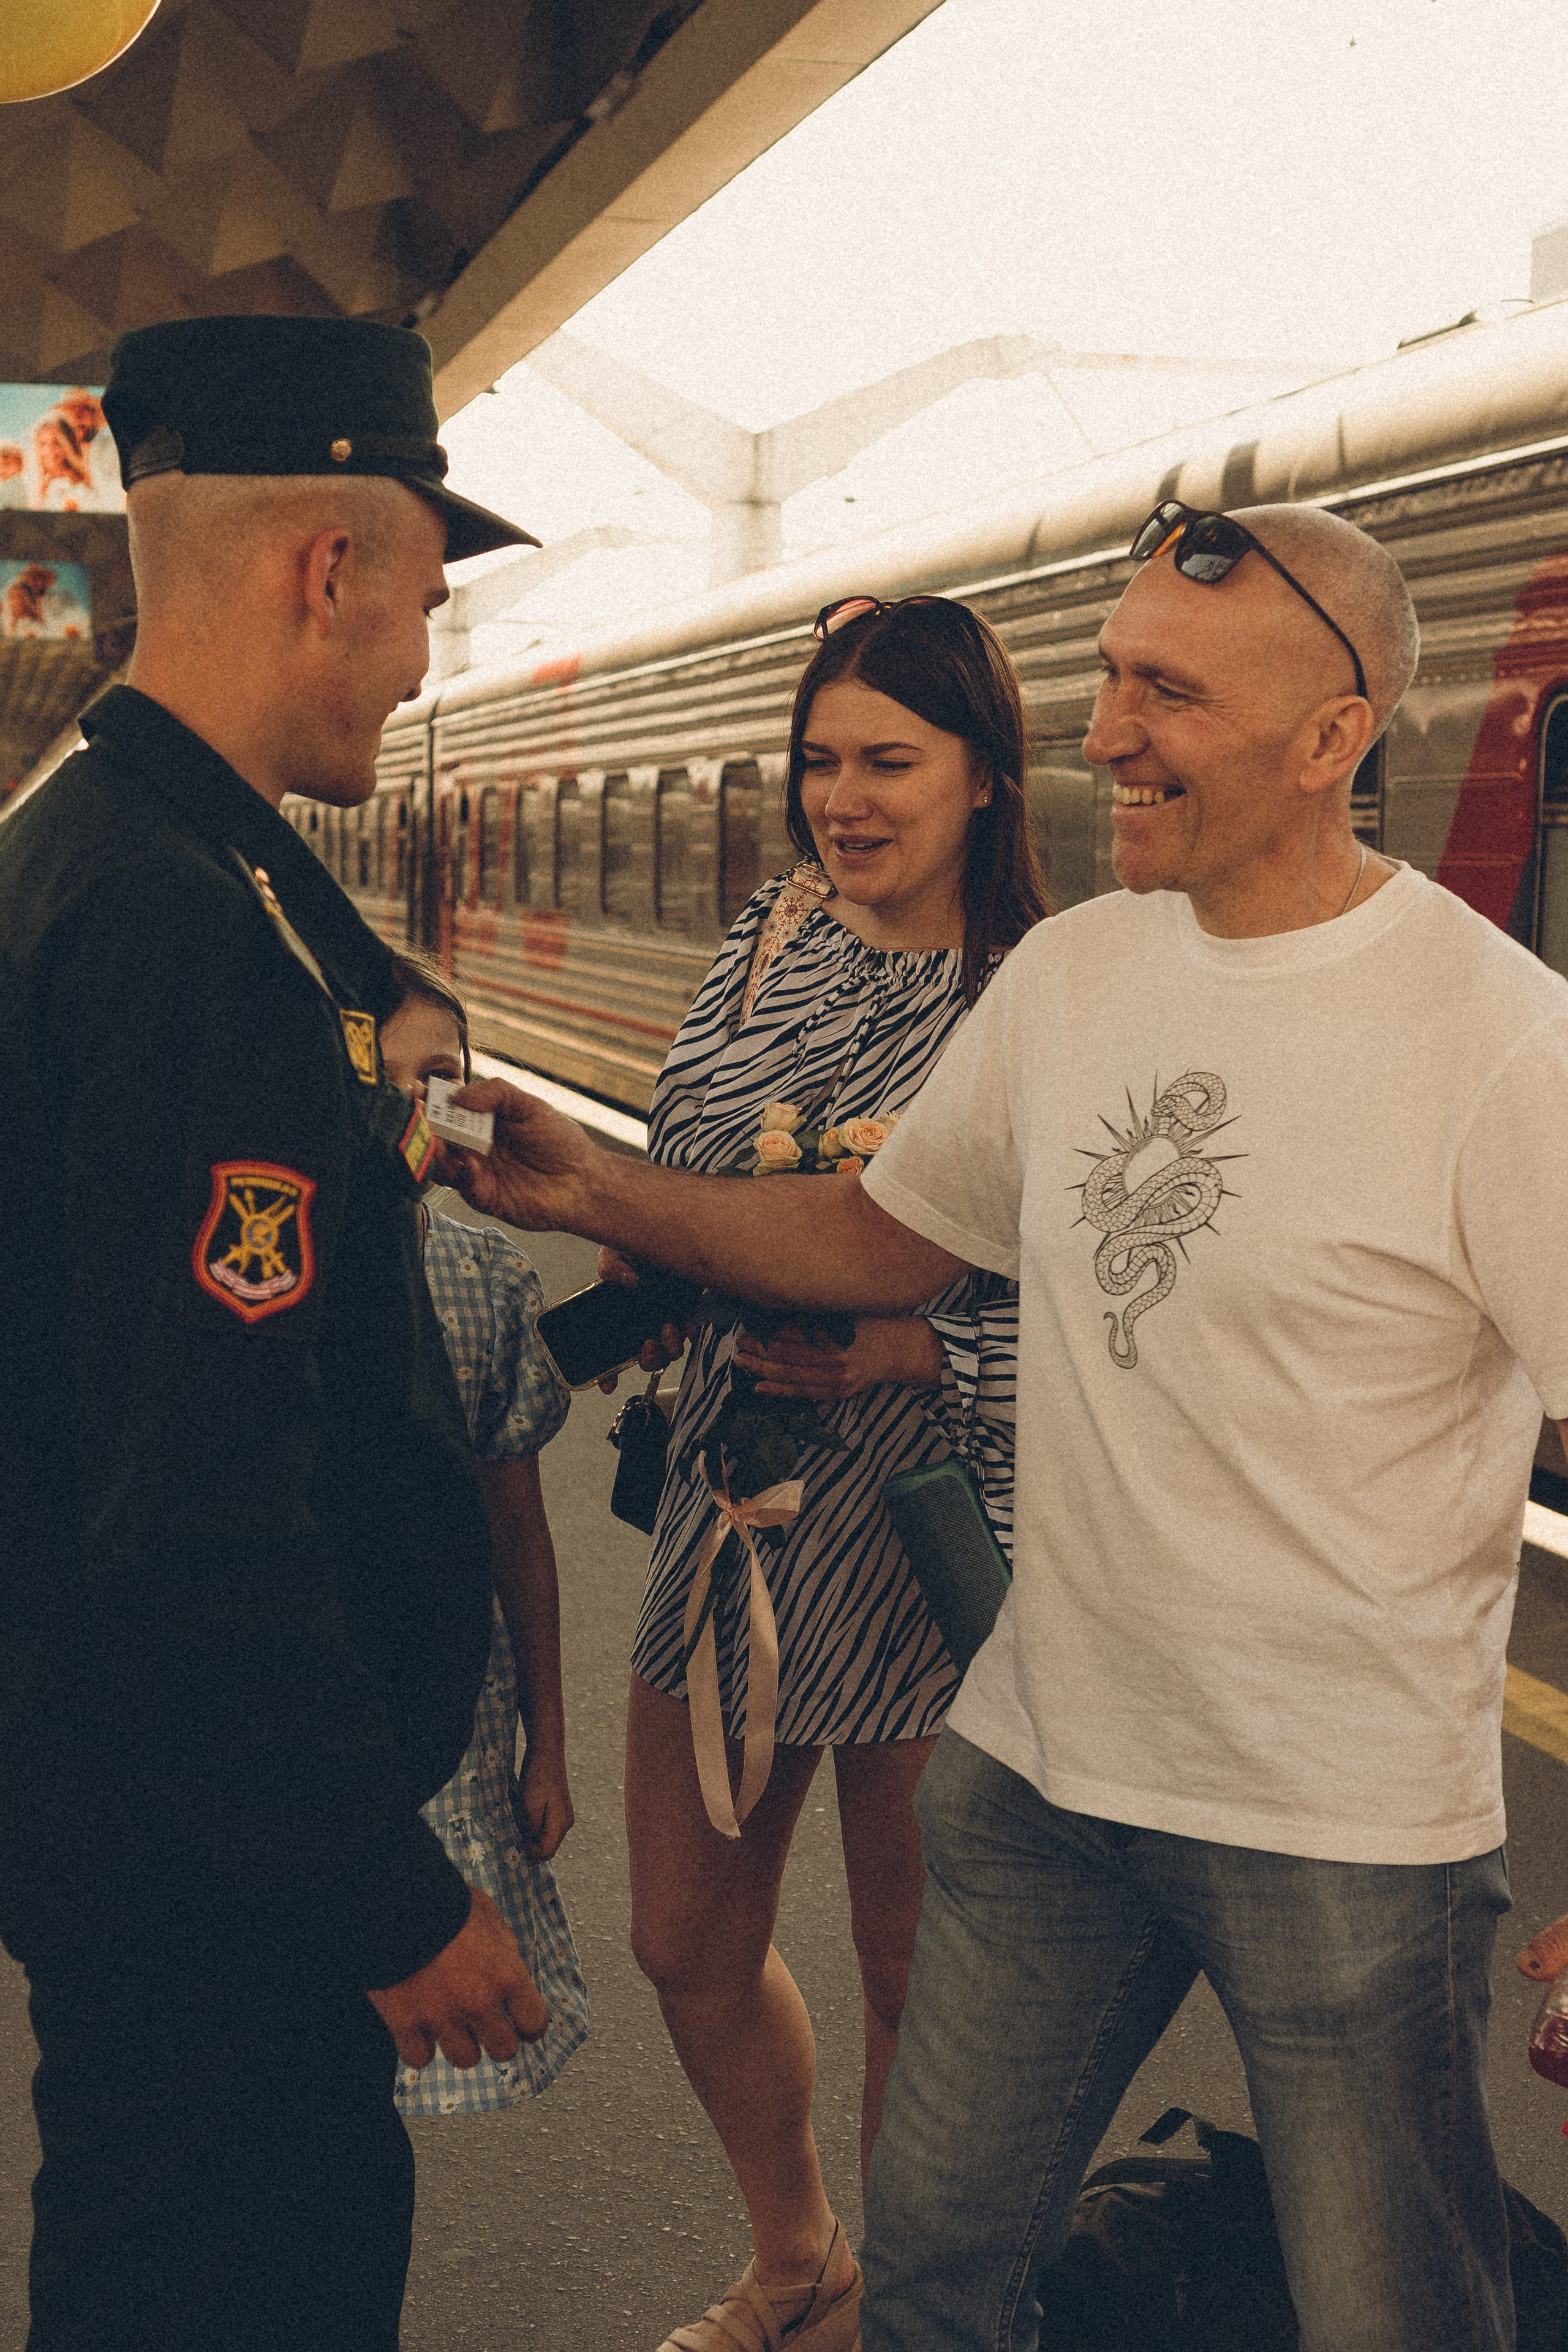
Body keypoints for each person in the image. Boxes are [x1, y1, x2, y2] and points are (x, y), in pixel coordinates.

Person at [443, 498, 1568, 2352]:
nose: (1108, 730)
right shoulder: (1081, 974)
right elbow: (886, 1231)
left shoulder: (1497, 1045)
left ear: (1333, 738)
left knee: (1397, 2319)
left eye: (1170, 693)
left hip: (1345, 1832)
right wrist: (607, 1198)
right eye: (1111, 676)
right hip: (1043, 1776)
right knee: (945, 2290)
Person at [0, 312, 548, 2352]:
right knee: (231, 2285)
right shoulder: (180, 934)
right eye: (414, 603)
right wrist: (385, 1897)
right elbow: (200, 1510)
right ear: (328, 571)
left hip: (136, 1820)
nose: (421, 659)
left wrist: (400, 1080)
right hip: (212, 1865)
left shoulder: (103, 855)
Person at [603, 595, 1045, 2352]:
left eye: (889, 762)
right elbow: (688, 1159)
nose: (842, 799)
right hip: (739, 1494)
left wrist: (920, 1343)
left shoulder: (1036, 995)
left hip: (939, 1516)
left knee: (913, 1980)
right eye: (819, 761)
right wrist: (655, 1271)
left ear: (986, 780)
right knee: (683, 1939)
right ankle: (802, 2255)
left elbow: (1111, 1293)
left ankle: (916, 2323)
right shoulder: (763, 939)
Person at [378, 949, 589, 2121]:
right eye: (385, 1080)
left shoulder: (485, 1277)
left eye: (441, 1079)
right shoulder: (274, 1272)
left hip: (463, 1705)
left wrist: (547, 1743)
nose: (415, 1109)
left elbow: (522, 1529)